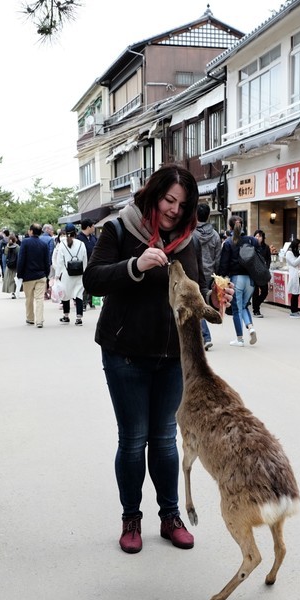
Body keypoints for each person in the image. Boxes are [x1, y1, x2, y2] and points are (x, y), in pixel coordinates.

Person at [83, 164, 233, 555]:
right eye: (169, 200)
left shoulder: (189, 241)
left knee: (166, 439)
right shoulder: (120, 228)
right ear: (154, 194)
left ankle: (170, 516)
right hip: (125, 352)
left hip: (173, 356)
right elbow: (93, 279)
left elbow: (196, 290)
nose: (174, 210)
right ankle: (131, 518)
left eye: (183, 205)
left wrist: (216, 299)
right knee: (133, 440)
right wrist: (135, 266)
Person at [219, 216, 259, 346]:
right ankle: (250, 327)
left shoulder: (229, 243)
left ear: (230, 227)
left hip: (237, 278)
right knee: (244, 306)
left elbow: (224, 265)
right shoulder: (251, 240)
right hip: (251, 279)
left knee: (237, 309)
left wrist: (221, 278)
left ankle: (240, 339)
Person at [192, 203, 221, 350]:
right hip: (209, 274)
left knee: (197, 305)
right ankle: (204, 335)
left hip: (194, 272)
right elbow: (218, 258)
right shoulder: (215, 235)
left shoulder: (191, 233)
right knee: (200, 304)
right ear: (208, 215)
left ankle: (205, 336)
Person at [16, 223, 50, 328]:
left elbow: (21, 259)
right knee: (39, 298)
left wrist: (19, 273)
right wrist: (46, 274)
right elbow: (47, 262)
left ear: (31, 231)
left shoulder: (25, 243)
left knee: (29, 298)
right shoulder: (44, 244)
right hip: (41, 275)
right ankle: (39, 321)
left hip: (28, 276)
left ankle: (30, 318)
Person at [55, 222, 88, 325]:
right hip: (79, 273)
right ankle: (79, 318)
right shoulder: (81, 244)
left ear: (65, 232)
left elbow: (60, 261)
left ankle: (66, 316)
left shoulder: (62, 244)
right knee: (78, 294)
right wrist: (84, 271)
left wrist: (57, 275)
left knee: (65, 294)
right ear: (75, 232)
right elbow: (84, 259)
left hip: (66, 273)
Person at [77, 218, 98, 309]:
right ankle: (83, 303)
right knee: (83, 284)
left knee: (94, 282)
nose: (94, 228)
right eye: (93, 226)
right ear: (88, 227)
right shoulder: (78, 238)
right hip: (82, 265)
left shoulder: (94, 238)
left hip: (93, 263)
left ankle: (92, 302)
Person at [251, 229, 272, 317]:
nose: (258, 238)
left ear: (263, 238)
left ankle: (256, 305)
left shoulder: (266, 247)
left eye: (259, 236)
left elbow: (268, 259)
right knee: (255, 292)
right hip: (254, 273)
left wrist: (266, 268)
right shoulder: (251, 247)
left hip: (263, 273)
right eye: (256, 236)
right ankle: (256, 310)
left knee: (265, 292)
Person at [285, 238, 300, 318]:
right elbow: (294, 263)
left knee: (297, 294)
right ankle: (293, 311)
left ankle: (296, 310)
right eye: (297, 246)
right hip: (295, 276)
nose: (298, 248)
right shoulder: (289, 253)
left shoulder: (297, 253)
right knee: (294, 294)